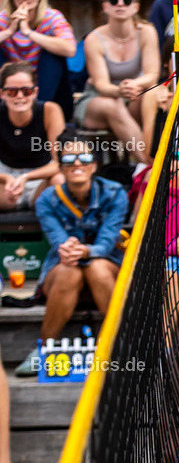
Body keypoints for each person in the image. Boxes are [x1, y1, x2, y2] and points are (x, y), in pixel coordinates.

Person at [15, 133, 128, 376]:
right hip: (64, 273)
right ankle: (44, 349)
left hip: (105, 271)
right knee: (70, 270)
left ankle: (121, 348)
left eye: (84, 157)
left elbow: (108, 242)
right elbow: (58, 242)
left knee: (96, 266)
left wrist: (87, 251)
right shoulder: (47, 199)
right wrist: (69, 250)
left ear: (94, 164)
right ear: (61, 167)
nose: (77, 163)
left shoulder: (115, 193)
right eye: (69, 159)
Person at [74, 0, 160, 165]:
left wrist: (135, 85)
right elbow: (101, 84)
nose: (120, 4)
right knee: (114, 105)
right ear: (105, 6)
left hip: (134, 94)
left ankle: (147, 162)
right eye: (114, 0)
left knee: (152, 93)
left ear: (136, 6)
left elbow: (152, 74)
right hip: (98, 100)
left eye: (126, 0)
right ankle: (149, 165)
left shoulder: (147, 32)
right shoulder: (94, 39)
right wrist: (120, 90)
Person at [0, 0, 76, 116]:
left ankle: (38, 111)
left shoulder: (52, 17)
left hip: (47, 87)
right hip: (11, 85)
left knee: (53, 51)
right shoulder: (3, 18)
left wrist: (28, 32)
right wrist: (9, 32)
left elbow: (70, 49)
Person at [0, 62, 63, 210]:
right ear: (2, 94)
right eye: (12, 91)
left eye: (26, 91)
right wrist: (7, 179)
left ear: (35, 92)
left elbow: (60, 162)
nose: (20, 96)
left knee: (60, 180)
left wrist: (26, 177)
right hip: (4, 181)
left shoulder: (50, 111)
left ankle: (58, 232)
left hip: (41, 178)